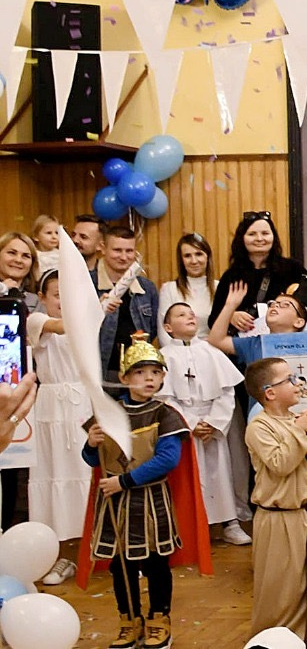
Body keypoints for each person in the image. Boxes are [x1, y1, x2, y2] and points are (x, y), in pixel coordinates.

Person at [79, 333, 211, 649]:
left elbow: (167, 459)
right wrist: (91, 444)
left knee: (155, 564)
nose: (148, 379)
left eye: (154, 372)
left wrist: (124, 481)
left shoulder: (165, 414)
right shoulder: (108, 413)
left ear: (163, 377)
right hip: (114, 503)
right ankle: (129, 620)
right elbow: (94, 460)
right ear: (124, 378)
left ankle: (158, 619)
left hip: (150, 501)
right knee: (120, 566)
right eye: (139, 372)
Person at [243, 356, 307, 649]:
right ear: (270, 393)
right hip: (279, 519)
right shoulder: (259, 427)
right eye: (289, 379)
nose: (297, 383)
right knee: (282, 593)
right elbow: (281, 464)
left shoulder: (296, 419)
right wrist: (300, 431)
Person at [159, 302, 250, 546]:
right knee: (189, 476)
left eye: (191, 313)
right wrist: (189, 423)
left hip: (211, 423)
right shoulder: (164, 356)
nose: (190, 317)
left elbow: (227, 392)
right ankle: (190, 527)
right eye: (181, 315)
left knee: (220, 473)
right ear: (168, 327)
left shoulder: (212, 351)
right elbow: (164, 397)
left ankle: (230, 523)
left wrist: (213, 423)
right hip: (182, 424)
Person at [27, 270, 90, 586]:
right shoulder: (36, 320)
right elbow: (63, 326)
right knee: (53, 476)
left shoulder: (85, 322)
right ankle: (60, 555)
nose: (64, 301)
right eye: (57, 294)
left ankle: (91, 552)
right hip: (51, 405)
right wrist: (97, 308)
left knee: (85, 473)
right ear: (43, 297)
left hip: (83, 403)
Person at [95, 226, 159, 386]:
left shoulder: (147, 288)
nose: (124, 257)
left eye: (129, 251)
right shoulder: (88, 284)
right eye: (117, 250)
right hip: (100, 371)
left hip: (138, 372)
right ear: (103, 248)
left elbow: (153, 329)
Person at [157, 233, 215, 345]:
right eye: (187, 256)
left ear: (207, 256)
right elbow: (163, 333)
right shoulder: (169, 289)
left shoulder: (220, 287)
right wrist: (181, 353)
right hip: (177, 352)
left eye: (199, 254)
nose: (194, 261)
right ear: (181, 260)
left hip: (213, 351)